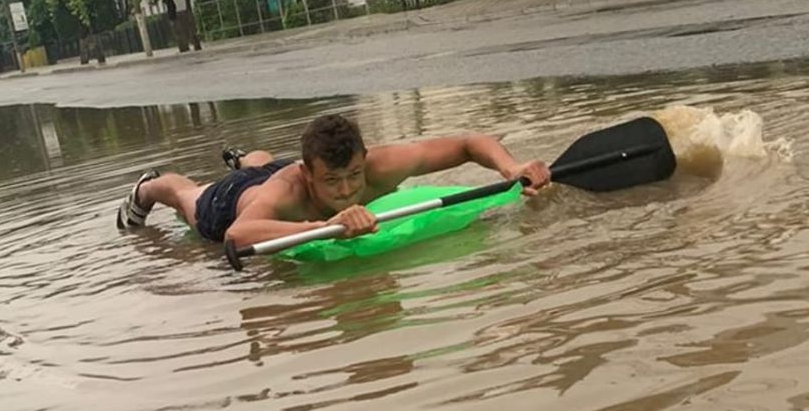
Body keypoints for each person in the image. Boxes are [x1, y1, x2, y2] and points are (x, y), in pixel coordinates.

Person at [115, 113, 551, 244]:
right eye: (333, 183)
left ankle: (247, 157)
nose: (346, 190)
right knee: (187, 195)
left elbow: (468, 140)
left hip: (273, 172)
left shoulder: (376, 164)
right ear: (308, 175)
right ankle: (146, 186)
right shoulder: (290, 187)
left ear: (364, 158)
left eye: (354, 176)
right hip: (233, 202)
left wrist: (511, 169)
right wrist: (323, 227)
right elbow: (236, 233)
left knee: (262, 163)